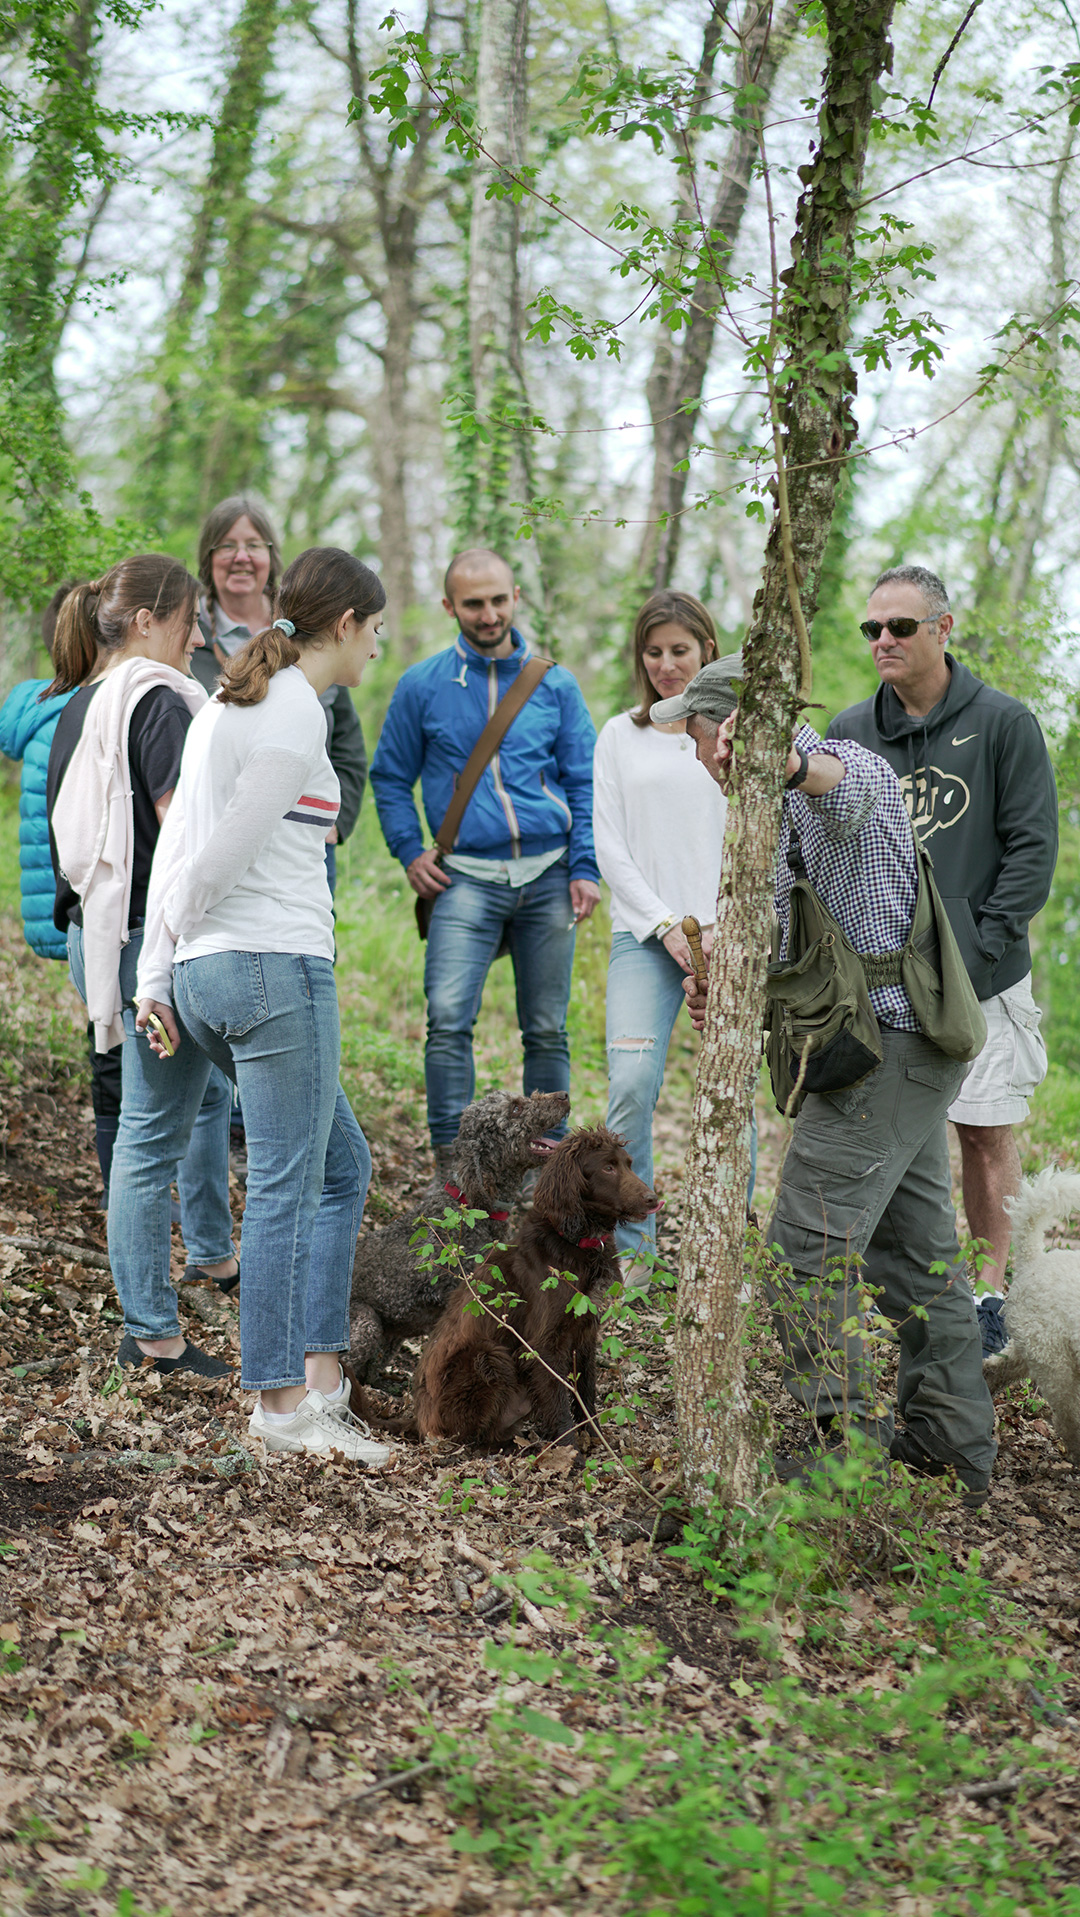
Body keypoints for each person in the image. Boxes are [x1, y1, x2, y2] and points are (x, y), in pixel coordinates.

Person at [663, 660, 997, 1506]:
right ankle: (950, 1443)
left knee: (807, 1249)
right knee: (912, 1253)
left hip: (893, 1048)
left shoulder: (838, 774)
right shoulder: (763, 818)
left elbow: (844, 788)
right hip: (881, 1052)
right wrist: (724, 984)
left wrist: (783, 761)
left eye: (695, 737)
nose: (695, 756)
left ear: (727, 728)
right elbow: (787, 940)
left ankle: (843, 1458)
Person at [135, 547, 390, 1464]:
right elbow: (213, 858)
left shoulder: (229, 706)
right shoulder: (290, 717)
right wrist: (185, 932)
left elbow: (178, 850)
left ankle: (320, 1384)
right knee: (287, 1181)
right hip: (272, 968)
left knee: (340, 1165)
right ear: (346, 623)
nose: (379, 646)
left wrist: (160, 971)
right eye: (378, 629)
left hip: (213, 975)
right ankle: (280, 1407)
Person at [827, 565, 1058, 1329]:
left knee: (985, 1132)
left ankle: (990, 1291)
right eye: (872, 629)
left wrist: (981, 955)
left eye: (900, 626)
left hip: (981, 972)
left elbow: (1031, 851)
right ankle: (911, 1295)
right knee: (892, 1135)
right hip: (884, 981)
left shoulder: (1003, 723)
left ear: (942, 628)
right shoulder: (851, 733)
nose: (883, 640)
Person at [46, 557, 239, 1375]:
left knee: (151, 1130)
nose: (198, 636)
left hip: (100, 936)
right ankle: (153, 1332)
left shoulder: (84, 703)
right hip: (150, 946)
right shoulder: (159, 701)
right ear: (152, 618)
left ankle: (153, 1317)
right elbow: (184, 830)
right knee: (154, 1136)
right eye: (191, 618)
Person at [370, 548, 601, 1180]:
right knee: (447, 1022)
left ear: (516, 596)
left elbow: (583, 780)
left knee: (547, 1029)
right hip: (464, 876)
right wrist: (410, 851)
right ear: (450, 608)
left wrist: (585, 867)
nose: (488, 613)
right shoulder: (422, 685)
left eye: (498, 599)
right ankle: (457, 1165)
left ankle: (547, 1161)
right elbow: (390, 777)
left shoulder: (555, 683)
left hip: (549, 873)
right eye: (473, 603)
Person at [593, 590, 731, 1268]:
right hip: (644, 938)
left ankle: (721, 1254)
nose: (667, 664)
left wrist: (719, 927)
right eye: (654, 651)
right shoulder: (621, 734)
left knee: (727, 1091)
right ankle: (634, 1255)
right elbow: (609, 843)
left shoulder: (737, 731)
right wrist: (662, 922)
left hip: (727, 935)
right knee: (630, 1084)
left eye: (680, 650)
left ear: (707, 647)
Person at [0, 587, 126, 1204]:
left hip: (51, 904)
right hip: (87, 904)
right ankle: (122, 1184)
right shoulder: (95, 709)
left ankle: (119, 1181)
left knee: (105, 1031)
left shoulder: (34, 705)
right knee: (114, 1035)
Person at [193, 495, 368, 894]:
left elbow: (347, 743)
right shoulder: (189, 639)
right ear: (209, 559)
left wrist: (337, 824)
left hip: (306, 839)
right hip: (220, 836)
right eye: (227, 546)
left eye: (254, 545)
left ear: (271, 556)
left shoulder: (308, 634)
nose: (241, 557)